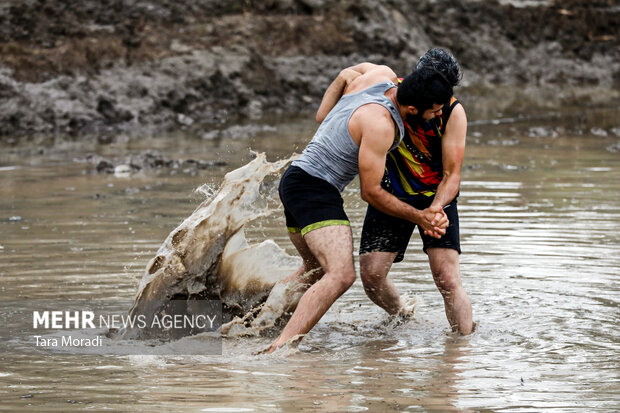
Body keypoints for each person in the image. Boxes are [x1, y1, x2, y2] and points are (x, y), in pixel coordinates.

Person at [265, 62, 454, 352]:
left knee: (314, 271)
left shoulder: (380, 74)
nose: (440, 115)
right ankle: (280, 348)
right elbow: (371, 193)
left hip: (296, 179)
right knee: (342, 275)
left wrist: (340, 78)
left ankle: (257, 317)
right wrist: (421, 217)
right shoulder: (381, 125)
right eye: (435, 110)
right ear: (413, 110)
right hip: (314, 188)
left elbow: (326, 107)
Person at [357, 48, 474, 335]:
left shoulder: (453, 112)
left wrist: (435, 209)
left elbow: (452, 174)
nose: (441, 100)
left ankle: (462, 350)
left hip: (436, 197)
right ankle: (401, 315)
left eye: (446, 92)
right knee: (371, 276)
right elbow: (354, 78)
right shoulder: (392, 96)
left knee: (447, 279)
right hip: (391, 194)